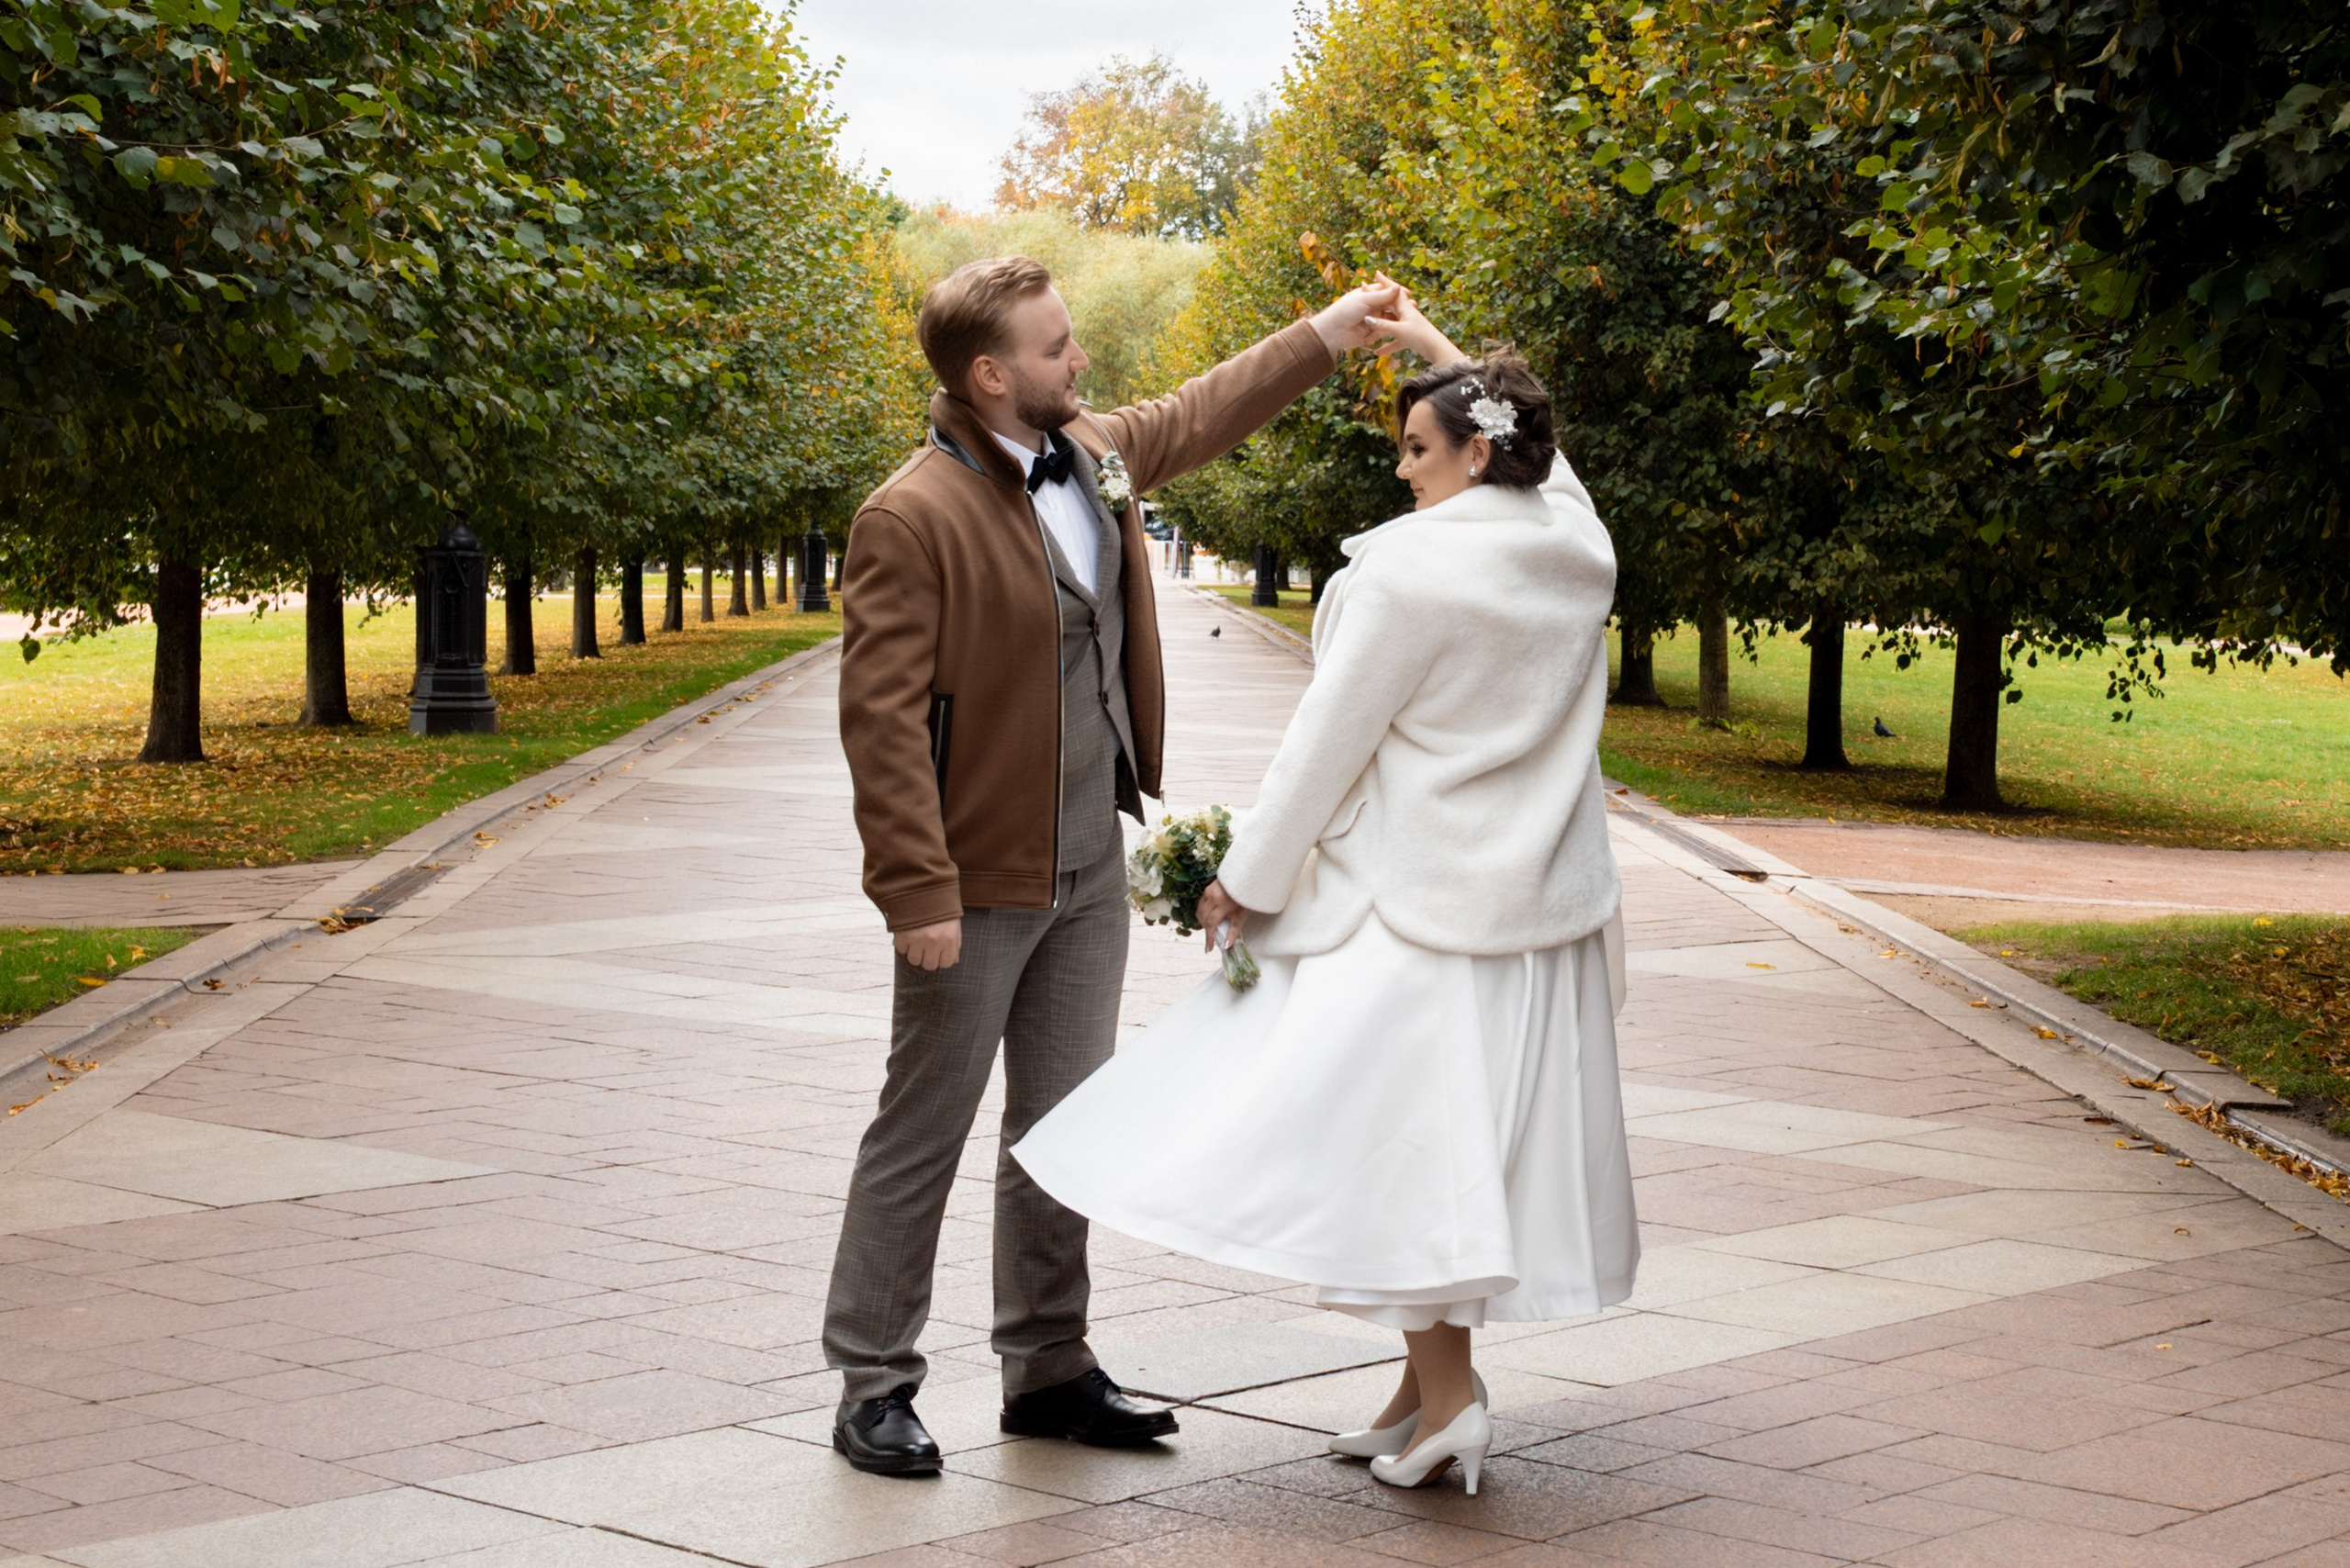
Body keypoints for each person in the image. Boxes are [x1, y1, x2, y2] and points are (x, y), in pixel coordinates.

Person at [1012, 291, 1637, 1497]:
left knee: (1403, 1153)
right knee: (1450, 1147)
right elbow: (1540, 454)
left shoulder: (1409, 575)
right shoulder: (1573, 544)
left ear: (1479, 450)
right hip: (1530, 917)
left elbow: (1326, 745)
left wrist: (1242, 880)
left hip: (1408, 914)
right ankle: (1419, 1395)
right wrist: (1433, 351)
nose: (1403, 474)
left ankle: (1450, 1401)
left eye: (1417, 448)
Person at [825, 253, 1404, 1475]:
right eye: (1054, 347)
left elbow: (1198, 411)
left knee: (1067, 1125)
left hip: (1089, 861)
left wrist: (1329, 334)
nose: (1077, 361)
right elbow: (878, 723)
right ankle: (874, 1382)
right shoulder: (909, 515)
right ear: (989, 375)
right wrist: (914, 889)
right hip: (974, 880)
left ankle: (1048, 1369)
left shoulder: (1090, 453)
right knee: (921, 1131)